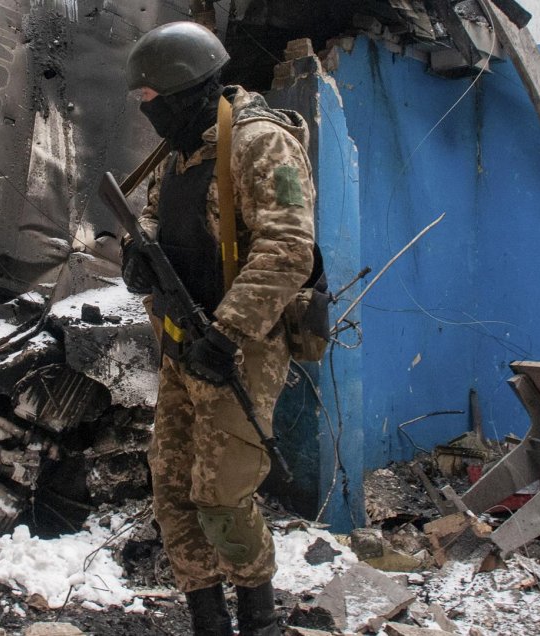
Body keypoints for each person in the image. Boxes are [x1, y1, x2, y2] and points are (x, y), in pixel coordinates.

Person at [119, 21, 316, 636]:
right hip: (182, 346)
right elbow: (154, 221)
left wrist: (226, 334)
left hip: (240, 351)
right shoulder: (179, 152)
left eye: (149, 99)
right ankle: (207, 615)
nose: (145, 112)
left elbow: (288, 248)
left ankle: (258, 616)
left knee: (224, 497)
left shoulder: (260, 144)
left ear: (182, 88)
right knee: (173, 491)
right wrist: (138, 255)